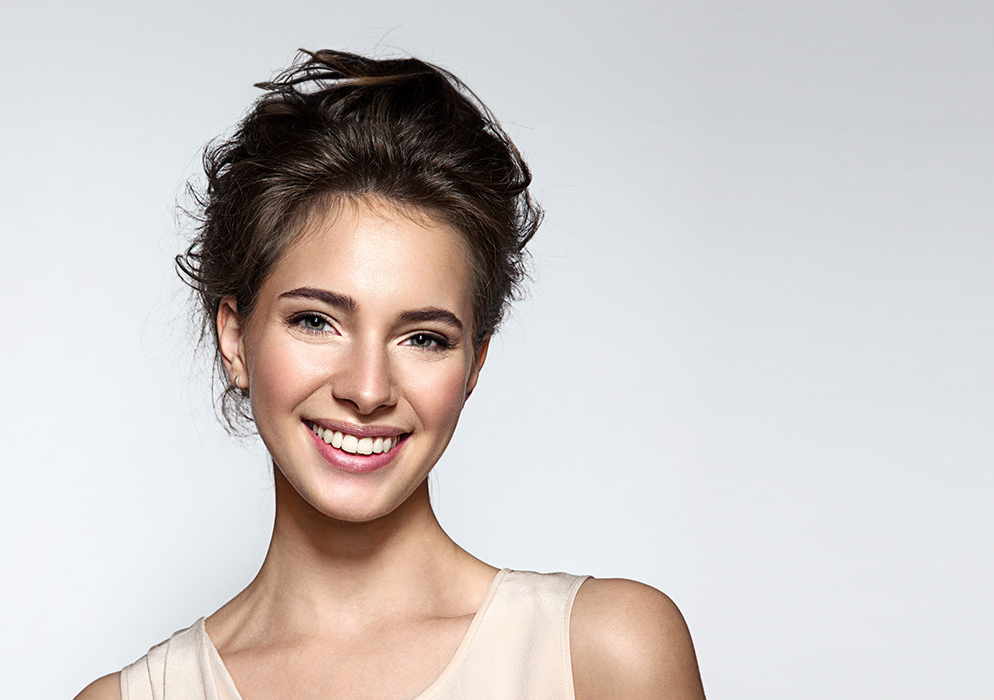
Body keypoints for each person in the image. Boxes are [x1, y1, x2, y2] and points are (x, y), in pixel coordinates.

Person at [75, 50, 705, 700]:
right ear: (235, 336)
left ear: (474, 364)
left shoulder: (605, 653)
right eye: (317, 322)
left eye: (424, 338)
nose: (368, 390)